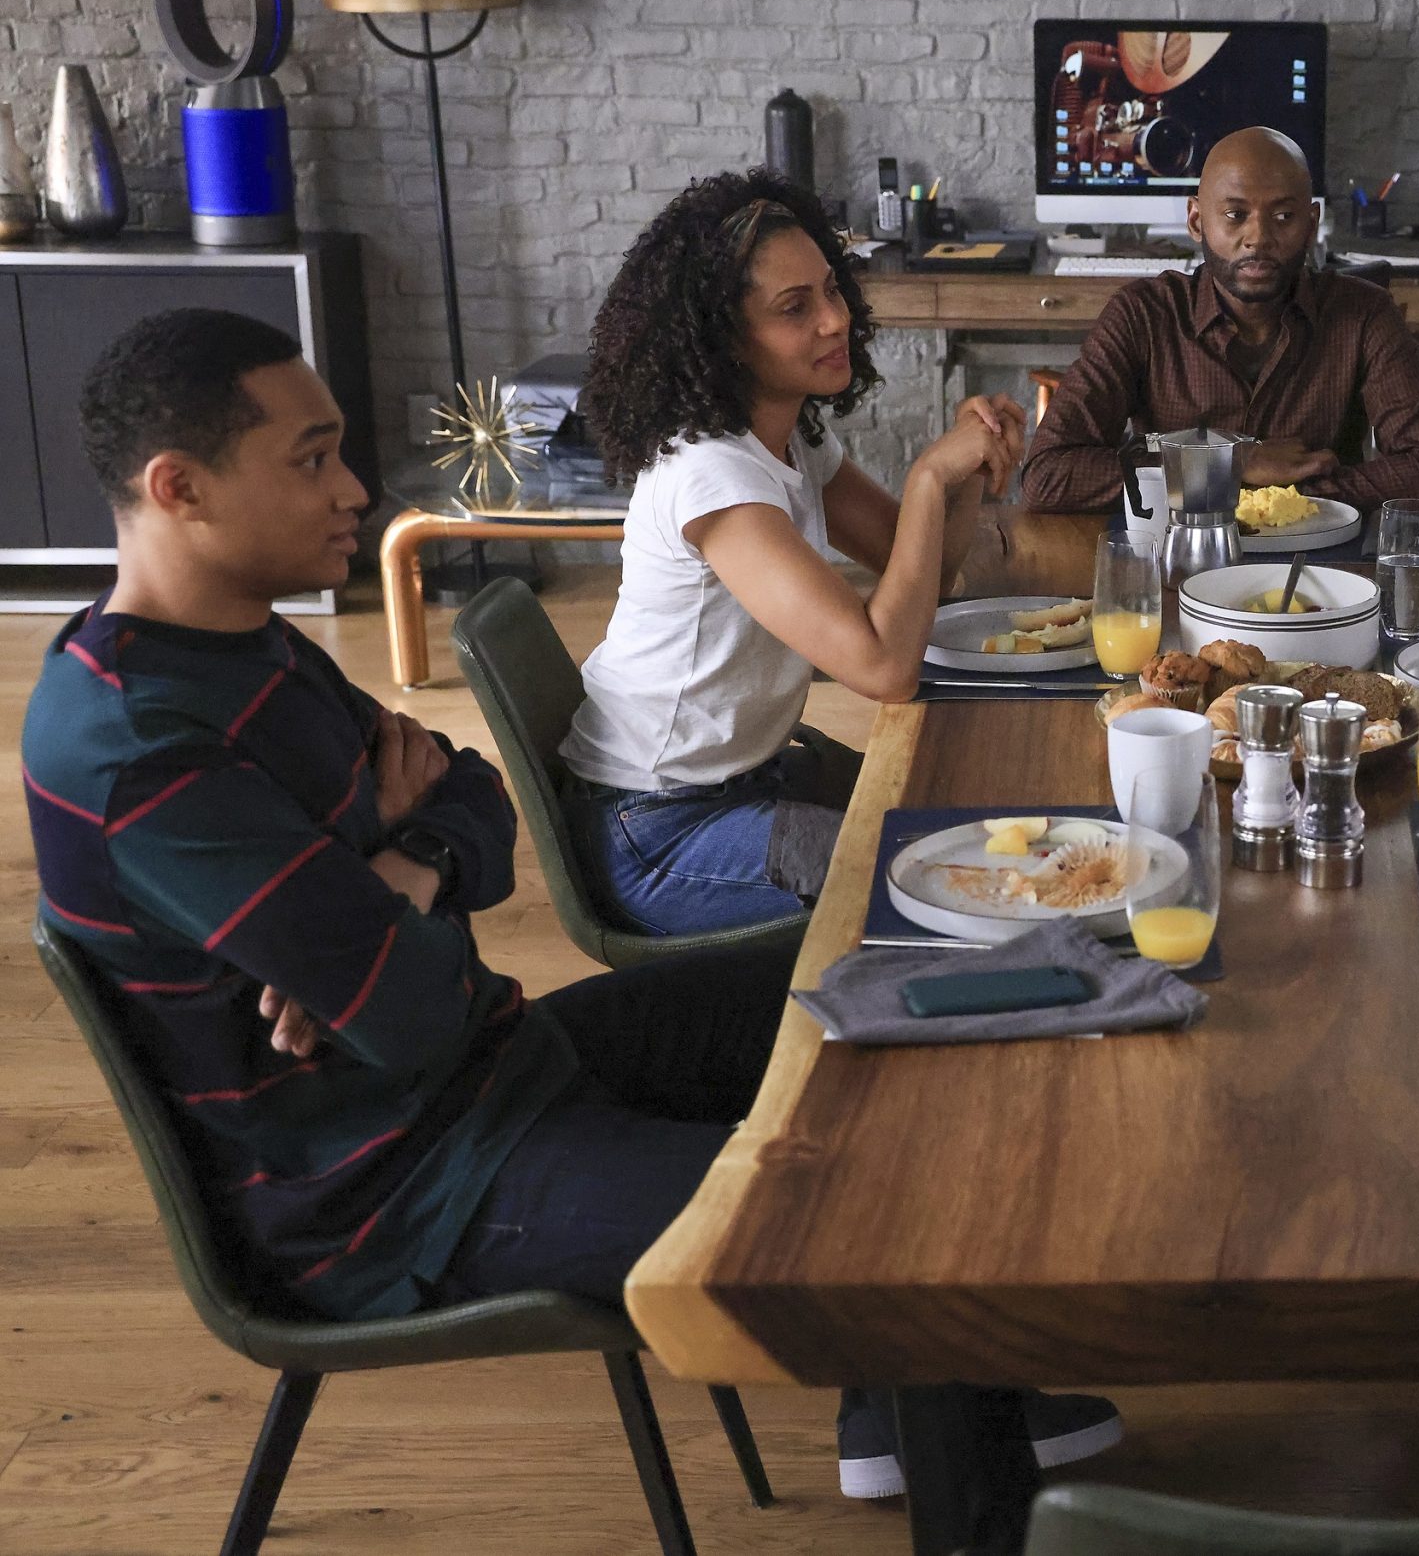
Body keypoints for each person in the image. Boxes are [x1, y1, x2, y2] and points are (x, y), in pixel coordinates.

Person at [21, 309, 1120, 1501]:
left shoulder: (240, 646)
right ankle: (963, 1463)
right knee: (892, 1216)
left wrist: (403, 866)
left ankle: (912, 1401)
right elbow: (408, 1012)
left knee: (882, 972)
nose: (353, 489)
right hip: (400, 1188)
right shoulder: (138, 744)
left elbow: (475, 797)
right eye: (312, 458)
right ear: (179, 488)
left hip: (494, 1067)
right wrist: (380, 888)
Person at [560, 170, 1026, 937]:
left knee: (965, 819)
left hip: (749, 781)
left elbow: (925, 575)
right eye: (794, 307)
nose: (835, 319)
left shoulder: (788, 436)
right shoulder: (711, 474)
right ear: (724, 338)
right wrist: (926, 476)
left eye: (831, 290)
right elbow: (885, 668)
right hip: (660, 828)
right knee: (942, 883)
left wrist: (968, 467)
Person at [1019, 127, 1419, 514]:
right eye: (1235, 215)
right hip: (1180, 561)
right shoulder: (1143, 315)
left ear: (1311, 222)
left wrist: (1279, 497)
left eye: (1284, 216)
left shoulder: (1364, 314)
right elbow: (1047, 474)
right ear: (1196, 220)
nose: (1258, 237)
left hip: (1321, 564)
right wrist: (1229, 465)